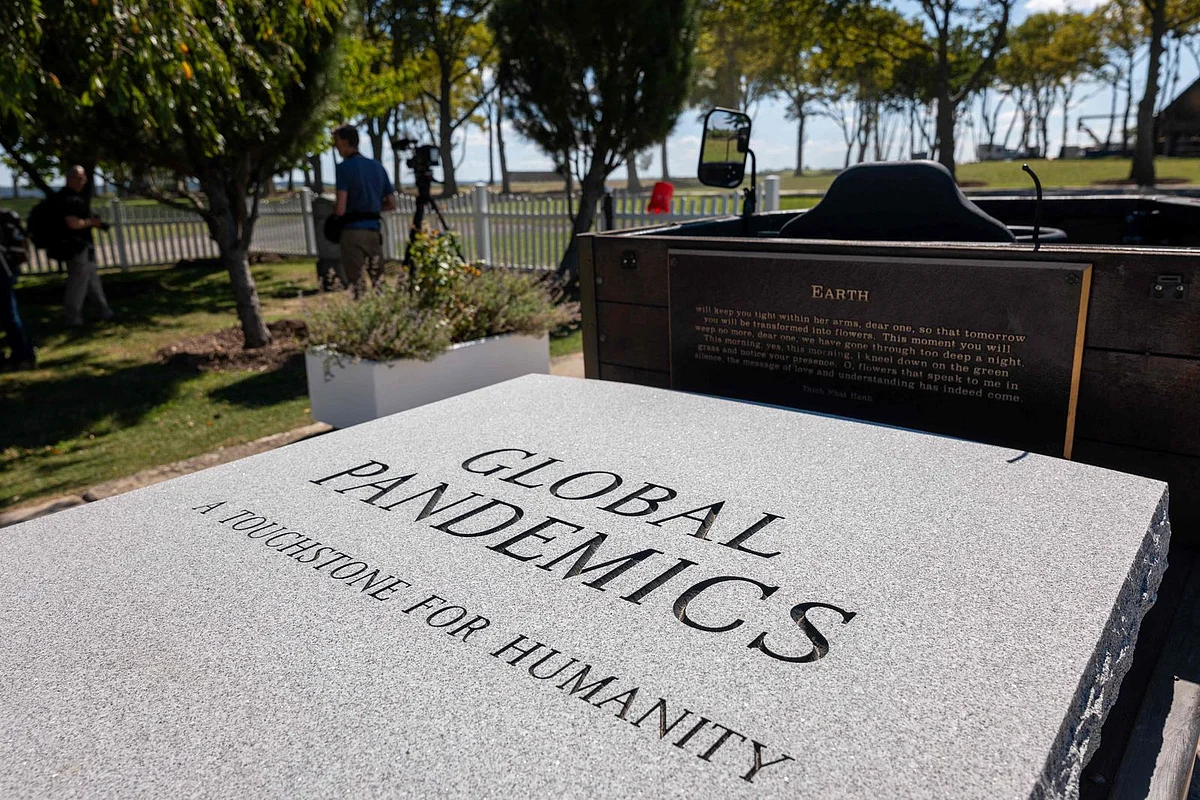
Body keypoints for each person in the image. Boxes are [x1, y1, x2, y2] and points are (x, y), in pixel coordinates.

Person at [332, 125, 396, 292]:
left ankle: (361, 306)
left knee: (357, 284)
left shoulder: (344, 168)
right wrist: (372, 207)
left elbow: (340, 209)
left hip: (351, 232)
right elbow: (391, 203)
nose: (335, 146)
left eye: (336, 142)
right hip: (374, 231)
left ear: (345, 142)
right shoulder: (377, 167)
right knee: (379, 281)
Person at [59, 165, 114, 326]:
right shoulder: (67, 199)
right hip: (75, 247)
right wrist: (92, 222)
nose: (83, 180)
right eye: (79, 177)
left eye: (83, 177)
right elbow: (73, 223)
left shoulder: (77, 198)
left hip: (85, 247)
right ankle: (72, 318)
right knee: (77, 284)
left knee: (92, 281)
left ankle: (103, 312)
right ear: (70, 178)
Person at [0, 207, 36, 370]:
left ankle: (23, 355)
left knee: (9, 314)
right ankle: (23, 354)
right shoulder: (7, 216)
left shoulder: (5, 218)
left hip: (3, 271)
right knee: (9, 313)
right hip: (7, 269)